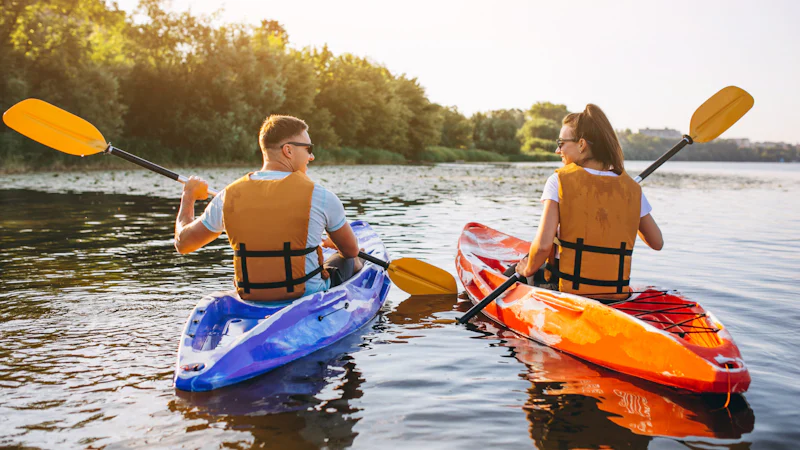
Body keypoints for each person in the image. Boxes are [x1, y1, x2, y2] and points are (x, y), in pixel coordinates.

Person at [173, 115, 363, 301]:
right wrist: (334, 243)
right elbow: (350, 250)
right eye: (308, 149)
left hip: (251, 295)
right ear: (288, 150)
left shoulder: (228, 195)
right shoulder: (321, 196)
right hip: (306, 295)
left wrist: (188, 197)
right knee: (352, 260)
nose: (311, 156)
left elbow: (183, 244)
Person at [512, 104, 663, 298]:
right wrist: (629, 208)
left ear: (582, 144)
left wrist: (526, 270)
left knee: (520, 269)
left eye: (561, 143)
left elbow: (542, 247)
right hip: (616, 294)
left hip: (568, 292)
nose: (558, 151)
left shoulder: (559, 180)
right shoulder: (631, 189)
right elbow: (657, 242)